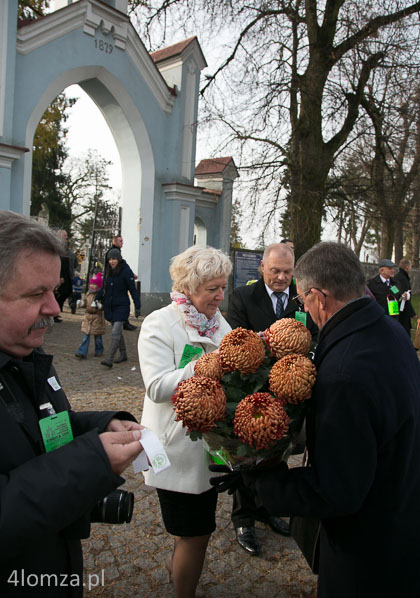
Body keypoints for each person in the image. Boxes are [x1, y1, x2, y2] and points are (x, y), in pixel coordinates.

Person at [211, 242, 420, 598]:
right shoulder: (390, 334)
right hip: (403, 514)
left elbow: (337, 490)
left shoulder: (344, 373)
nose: (303, 309)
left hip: (368, 551)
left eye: (304, 300)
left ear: (319, 298)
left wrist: (263, 481)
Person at [0, 211, 143, 597]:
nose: (54, 307)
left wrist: (102, 425)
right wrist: (91, 461)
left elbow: (39, 429)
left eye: (55, 289)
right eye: (35, 294)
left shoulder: (26, 355)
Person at [138, 245, 232, 598]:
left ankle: (180, 568)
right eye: (212, 289)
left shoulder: (219, 322)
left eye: (223, 287)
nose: (220, 296)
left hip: (208, 446)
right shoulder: (159, 323)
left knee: (190, 532)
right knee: (196, 534)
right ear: (189, 287)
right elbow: (157, 386)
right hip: (173, 447)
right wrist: (203, 366)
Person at [226, 243, 318, 555]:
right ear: (262, 267)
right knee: (246, 455)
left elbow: (314, 336)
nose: (281, 277)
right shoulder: (242, 297)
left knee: (276, 453)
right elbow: (236, 341)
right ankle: (243, 518)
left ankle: (266, 509)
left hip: (292, 389)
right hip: (254, 389)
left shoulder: (303, 299)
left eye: (287, 272)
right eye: (275, 270)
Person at [97, 249, 141, 368]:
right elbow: (103, 287)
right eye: (110, 259)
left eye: (114, 259)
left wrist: (137, 306)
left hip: (121, 306)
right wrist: (96, 298)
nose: (112, 261)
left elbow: (133, 290)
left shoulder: (126, 271)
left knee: (115, 331)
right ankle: (123, 354)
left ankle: (109, 359)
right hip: (110, 306)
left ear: (119, 259)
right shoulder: (108, 271)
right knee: (118, 332)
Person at [104, 235, 138, 331]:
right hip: (113, 282)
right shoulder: (114, 252)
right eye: (120, 241)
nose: (122, 243)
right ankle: (124, 323)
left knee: (116, 331)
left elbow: (124, 266)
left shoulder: (116, 252)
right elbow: (120, 266)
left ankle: (124, 322)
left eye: (122, 241)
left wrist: (131, 274)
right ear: (115, 242)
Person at [75, 275, 106, 359]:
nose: (92, 285)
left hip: (97, 318)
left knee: (98, 337)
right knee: (86, 336)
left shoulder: (100, 295)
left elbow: (103, 306)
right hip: (88, 317)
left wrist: (99, 306)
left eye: (94, 284)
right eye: (91, 283)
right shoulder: (88, 293)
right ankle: (82, 352)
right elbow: (85, 302)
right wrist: (81, 303)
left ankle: (99, 350)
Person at [54, 229, 78, 322]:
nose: (66, 237)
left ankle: (57, 312)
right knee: (59, 294)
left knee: (66, 293)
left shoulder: (67, 250)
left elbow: (73, 261)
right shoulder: (56, 247)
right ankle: (54, 314)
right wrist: (59, 276)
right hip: (60, 274)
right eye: (65, 236)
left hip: (68, 274)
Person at [393, 258, 416, 336]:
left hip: (395, 308)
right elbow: (405, 298)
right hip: (403, 310)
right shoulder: (404, 279)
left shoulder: (396, 277)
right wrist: (412, 313)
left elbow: (394, 290)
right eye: (410, 266)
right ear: (407, 267)